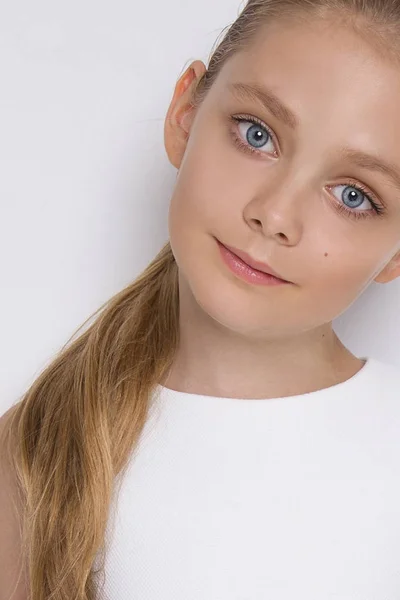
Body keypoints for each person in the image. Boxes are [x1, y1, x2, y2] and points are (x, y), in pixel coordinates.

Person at [2, 0, 400, 598]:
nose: (273, 215)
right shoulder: (35, 455)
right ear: (185, 113)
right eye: (257, 134)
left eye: (352, 194)